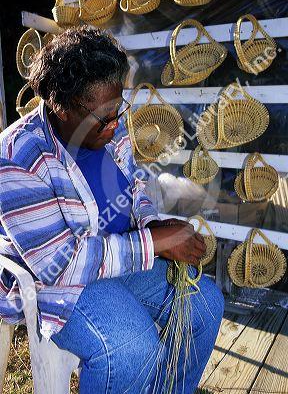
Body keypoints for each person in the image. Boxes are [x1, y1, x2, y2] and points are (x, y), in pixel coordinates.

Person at [0, 26, 224, 393]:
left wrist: (152, 222)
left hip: (120, 255)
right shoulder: (14, 158)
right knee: (130, 346)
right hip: (58, 283)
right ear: (62, 107)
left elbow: (134, 188)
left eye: (118, 109)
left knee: (204, 306)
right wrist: (154, 243)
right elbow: (61, 265)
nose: (116, 125)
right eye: (103, 118)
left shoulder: (109, 126)